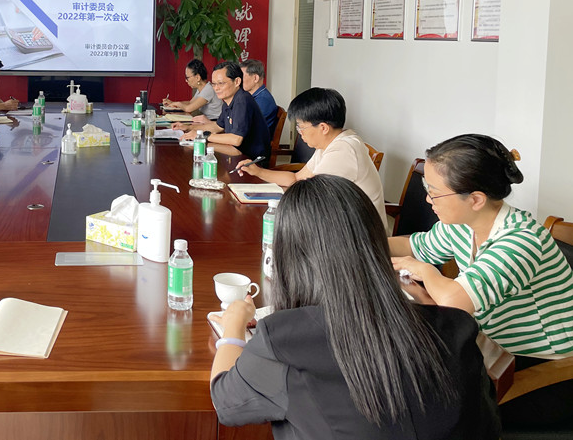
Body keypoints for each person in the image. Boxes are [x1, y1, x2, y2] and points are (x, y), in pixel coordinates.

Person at [210, 174, 500, 440]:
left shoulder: (284, 339)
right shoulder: (456, 327)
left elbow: (227, 403)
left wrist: (234, 326)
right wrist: (430, 308)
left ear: (291, 254)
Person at [389, 134, 573, 428]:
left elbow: (455, 301)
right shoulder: (462, 225)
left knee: (422, 407)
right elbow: (413, 246)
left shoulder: (521, 240)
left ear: (475, 199)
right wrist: (359, 241)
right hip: (492, 351)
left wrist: (424, 271)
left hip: (544, 371)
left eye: (434, 192)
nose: (427, 199)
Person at [236, 87, 384, 222]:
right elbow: (296, 179)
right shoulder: (328, 144)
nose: (300, 133)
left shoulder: (343, 150)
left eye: (301, 127)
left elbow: (312, 197)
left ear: (323, 128)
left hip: (361, 233)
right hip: (340, 221)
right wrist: (258, 171)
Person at [178, 62, 270, 160]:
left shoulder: (242, 101)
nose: (216, 88)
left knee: (199, 147)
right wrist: (189, 128)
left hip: (252, 159)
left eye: (221, 83)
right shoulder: (228, 101)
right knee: (196, 146)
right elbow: (218, 126)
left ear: (237, 81)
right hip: (236, 151)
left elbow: (236, 139)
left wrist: (202, 135)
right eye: (214, 84)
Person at [240, 59, 279, 137]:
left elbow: (245, 125)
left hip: (254, 141)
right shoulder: (252, 96)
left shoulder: (263, 100)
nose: (239, 81)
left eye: (242, 76)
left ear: (255, 78)